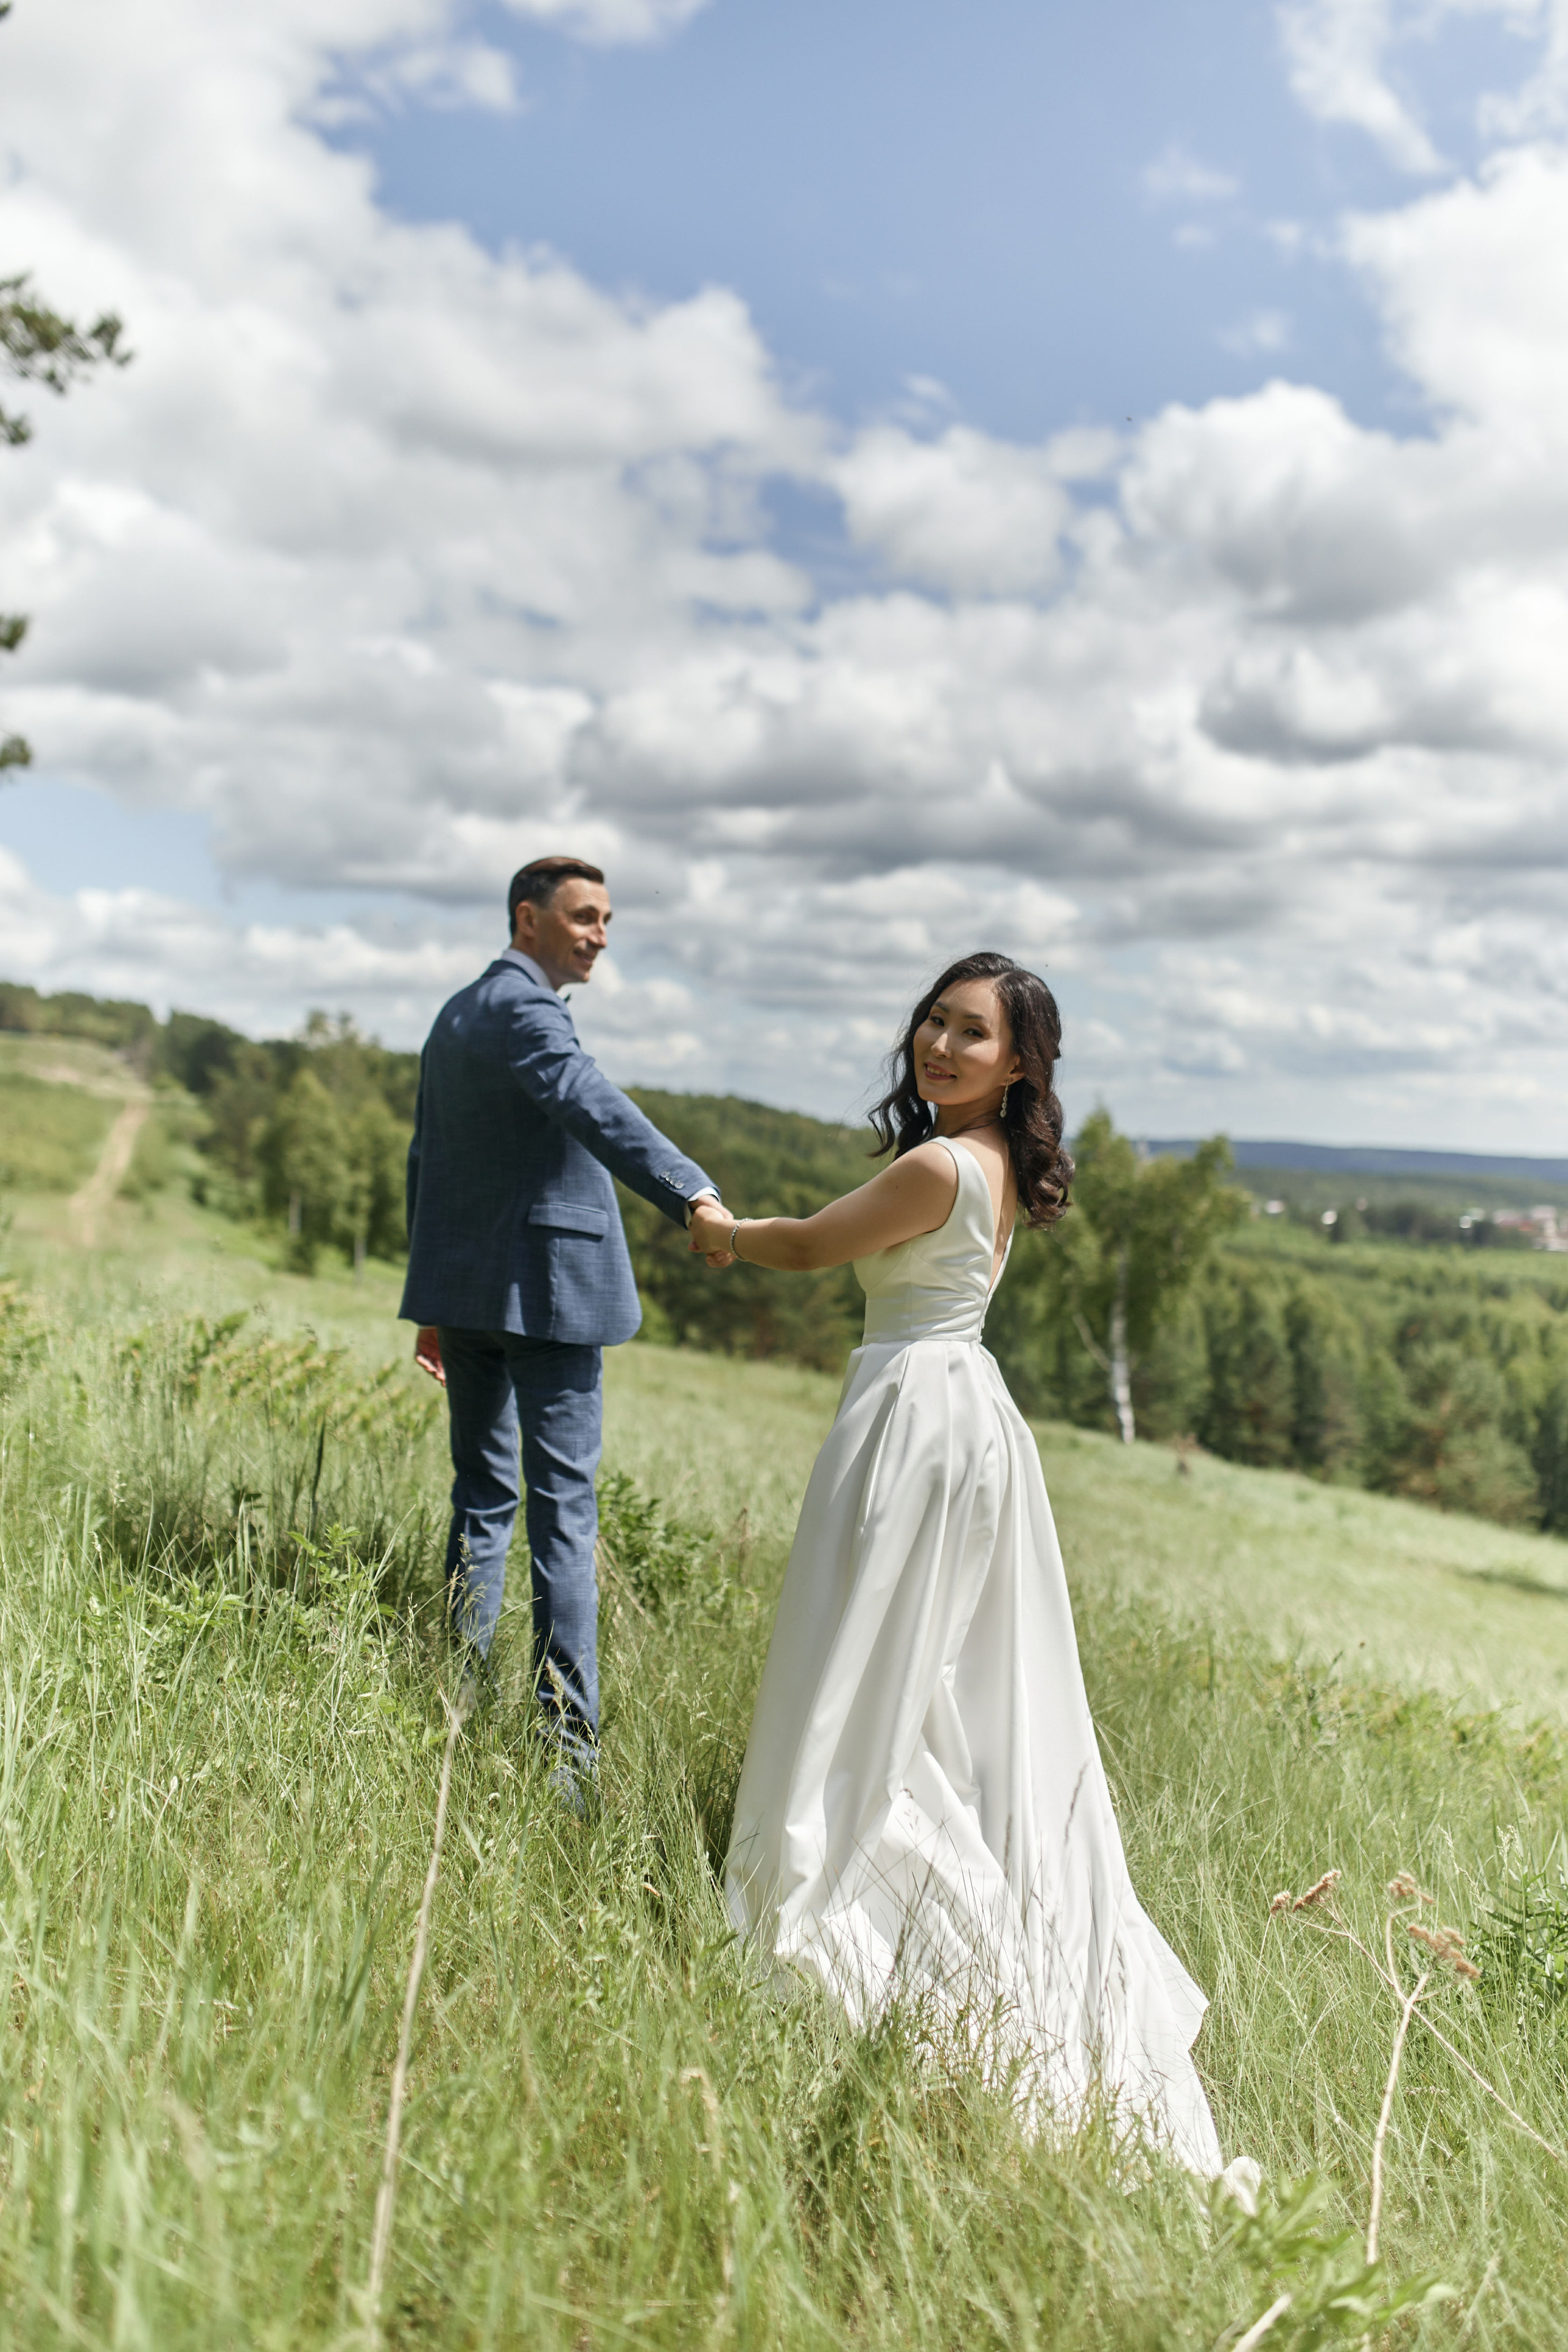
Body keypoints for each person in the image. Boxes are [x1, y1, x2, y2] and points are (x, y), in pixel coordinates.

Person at [687, 952, 1221, 2171]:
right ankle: (925, 1860)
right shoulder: (993, 1164)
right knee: (928, 1674)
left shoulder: (936, 1166)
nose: (938, 1043)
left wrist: (721, 1232)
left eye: (970, 1031)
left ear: (1018, 1062)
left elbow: (809, 1247)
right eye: (933, 1019)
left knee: (866, 1657)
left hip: (911, 1415)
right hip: (961, 1410)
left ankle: (859, 1887)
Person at [402, 855, 721, 1773]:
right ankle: (567, 1763)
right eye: (584, 917)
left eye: (607, 920)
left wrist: (433, 1300)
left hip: (469, 1295)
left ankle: (458, 1707)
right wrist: (693, 1195)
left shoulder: (457, 1011)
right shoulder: (526, 1009)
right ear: (527, 918)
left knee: (482, 1498)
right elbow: (592, 1105)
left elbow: (428, 1160)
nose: (600, 936)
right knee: (565, 1520)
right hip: (548, 1296)